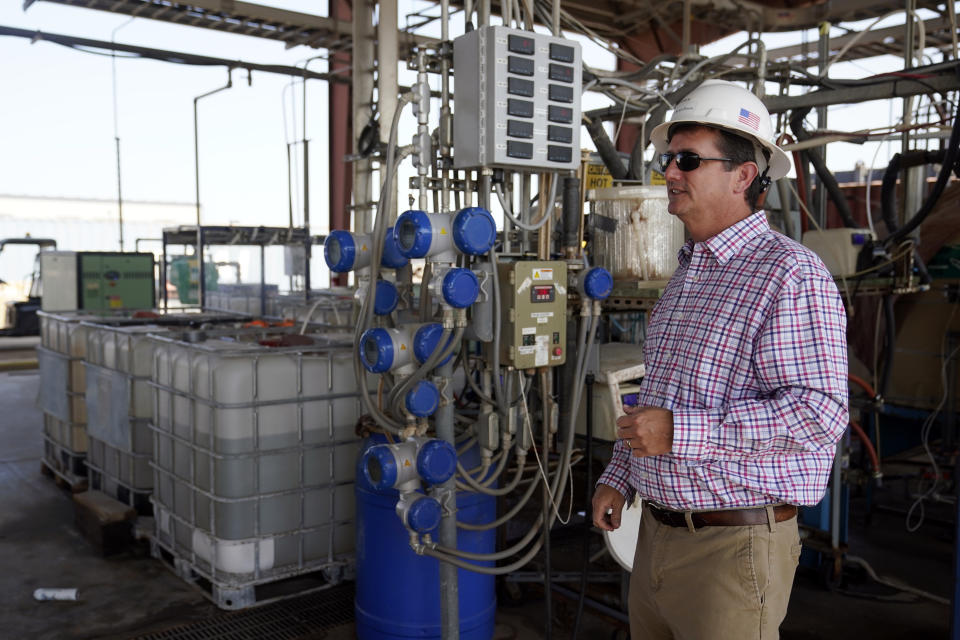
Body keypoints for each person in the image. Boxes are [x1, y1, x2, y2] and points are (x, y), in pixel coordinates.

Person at [591, 79, 849, 639]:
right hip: (656, 534)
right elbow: (661, 400)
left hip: (733, 549)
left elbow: (819, 414)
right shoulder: (688, 274)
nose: (671, 173)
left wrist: (683, 433)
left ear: (743, 176)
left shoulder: (790, 275)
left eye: (688, 159)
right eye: (668, 159)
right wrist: (621, 475)